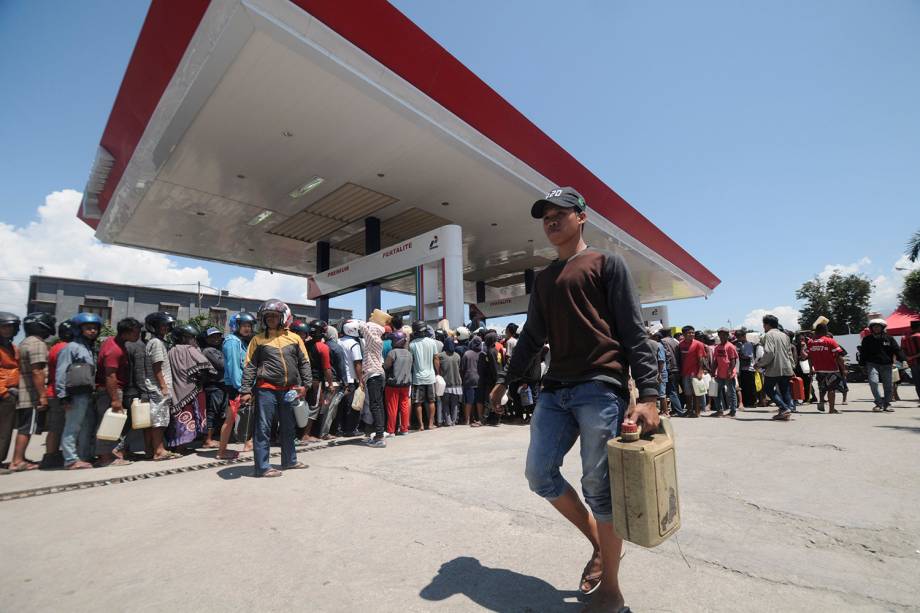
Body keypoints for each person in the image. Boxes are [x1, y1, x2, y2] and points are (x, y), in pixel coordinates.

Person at [490, 186, 659, 612]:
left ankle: (612, 591)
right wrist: (506, 380)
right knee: (539, 474)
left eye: (560, 213)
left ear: (581, 217)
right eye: (545, 215)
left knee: (598, 489)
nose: (551, 220)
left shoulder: (606, 263)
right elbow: (531, 336)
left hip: (600, 387)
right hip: (555, 390)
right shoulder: (545, 278)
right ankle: (600, 544)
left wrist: (651, 395)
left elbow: (633, 331)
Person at [240, 299, 311, 477]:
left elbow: (304, 362)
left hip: (289, 390)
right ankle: (262, 467)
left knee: (288, 427)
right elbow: (249, 366)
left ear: (283, 317)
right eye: (268, 316)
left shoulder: (294, 338)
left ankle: (289, 461)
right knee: (262, 428)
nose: (271, 319)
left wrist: (306, 385)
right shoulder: (258, 340)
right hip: (266, 389)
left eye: (274, 316)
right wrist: (246, 390)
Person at [56, 313, 102, 470]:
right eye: (88, 328)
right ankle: (70, 459)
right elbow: (61, 372)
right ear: (78, 329)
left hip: (88, 393)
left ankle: (84, 456)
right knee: (73, 426)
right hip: (74, 394)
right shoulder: (71, 348)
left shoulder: (88, 348)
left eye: (95, 328)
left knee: (87, 425)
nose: (92, 331)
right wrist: (63, 395)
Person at [11, 313, 56, 472]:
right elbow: (37, 371)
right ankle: (17, 460)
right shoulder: (37, 344)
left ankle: (19, 458)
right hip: (31, 395)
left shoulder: (25, 342)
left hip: (24, 392)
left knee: (25, 427)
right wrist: (42, 396)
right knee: (27, 428)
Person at [95, 317, 142, 466]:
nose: (139, 335)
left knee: (111, 423)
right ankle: (106, 458)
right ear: (127, 332)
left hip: (110, 390)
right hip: (111, 391)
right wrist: (115, 399)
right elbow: (110, 375)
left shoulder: (112, 342)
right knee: (109, 424)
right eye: (136, 332)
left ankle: (108, 454)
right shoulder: (114, 350)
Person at [166, 323, 215, 451]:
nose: (194, 340)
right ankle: (183, 447)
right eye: (191, 337)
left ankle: (178, 445)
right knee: (190, 415)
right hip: (192, 389)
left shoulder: (170, 350)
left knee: (179, 417)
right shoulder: (189, 349)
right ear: (183, 338)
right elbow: (207, 366)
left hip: (176, 390)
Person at [142, 312, 181, 461]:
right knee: (159, 421)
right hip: (158, 388)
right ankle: (159, 451)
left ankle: (152, 449)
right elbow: (156, 366)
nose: (165, 328)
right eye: (161, 325)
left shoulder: (155, 342)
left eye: (166, 325)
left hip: (156, 388)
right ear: (154, 327)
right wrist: (163, 386)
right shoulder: (157, 343)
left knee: (157, 420)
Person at [218, 311, 256, 459]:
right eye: (244, 325)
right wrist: (242, 389)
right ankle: (221, 452)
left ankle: (247, 443)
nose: (248, 328)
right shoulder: (232, 342)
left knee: (242, 417)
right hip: (236, 388)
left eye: (249, 326)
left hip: (242, 387)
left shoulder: (240, 341)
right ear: (236, 326)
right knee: (230, 419)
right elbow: (234, 367)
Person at [41, 320, 73, 468]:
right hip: (59, 392)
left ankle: (51, 454)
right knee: (58, 426)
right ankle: (51, 457)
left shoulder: (54, 347)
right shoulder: (66, 348)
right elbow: (63, 373)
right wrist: (64, 395)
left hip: (53, 390)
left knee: (55, 426)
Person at [756, 315, 796, 421]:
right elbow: (789, 353)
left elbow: (769, 352)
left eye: (764, 324)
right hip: (787, 366)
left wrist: (760, 364)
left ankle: (784, 408)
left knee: (768, 389)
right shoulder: (785, 335)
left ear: (767, 324)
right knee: (785, 390)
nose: (763, 327)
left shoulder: (769, 335)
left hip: (775, 367)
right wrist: (792, 367)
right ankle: (786, 411)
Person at [859, 318, 902, 412]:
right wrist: (862, 365)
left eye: (878, 326)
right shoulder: (867, 339)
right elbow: (863, 353)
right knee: (873, 382)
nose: (876, 328)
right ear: (871, 328)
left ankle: (887, 404)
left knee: (888, 385)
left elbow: (896, 350)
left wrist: (903, 360)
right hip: (872, 364)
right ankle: (878, 403)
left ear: (882, 327)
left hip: (886, 365)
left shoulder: (889, 338)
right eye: (874, 326)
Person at [301, 320, 333, 443]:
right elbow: (326, 368)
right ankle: (306, 435)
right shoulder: (323, 347)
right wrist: (330, 384)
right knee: (313, 407)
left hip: (303, 380)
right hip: (315, 381)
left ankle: (300, 433)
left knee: (302, 407)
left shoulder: (304, 344)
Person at [362, 312, 390, 447]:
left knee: (376, 406)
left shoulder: (375, 340)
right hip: (376, 374)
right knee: (378, 405)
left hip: (374, 375)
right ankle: (380, 433)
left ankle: (379, 437)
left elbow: (364, 330)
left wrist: (361, 324)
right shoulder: (375, 340)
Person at [807, 323, 847, 414]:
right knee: (831, 389)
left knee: (822, 388)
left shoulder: (810, 342)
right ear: (825, 331)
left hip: (818, 369)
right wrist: (843, 369)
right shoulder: (830, 341)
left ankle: (821, 403)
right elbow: (839, 356)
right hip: (831, 369)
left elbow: (810, 357)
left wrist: (810, 368)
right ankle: (831, 409)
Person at [409, 320, 440, 431]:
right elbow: (436, 358)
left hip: (417, 378)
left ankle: (421, 425)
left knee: (418, 403)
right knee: (431, 401)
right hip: (430, 377)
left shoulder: (412, 344)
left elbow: (411, 361)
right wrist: (437, 372)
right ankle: (431, 424)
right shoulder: (432, 342)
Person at [199, 327, 226, 449]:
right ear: (207, 339)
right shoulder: (208, 351)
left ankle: (212, 437)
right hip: (213, 385)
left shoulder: (217, 349)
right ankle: (207, 440)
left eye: (218, 336)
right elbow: (222, 365)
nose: (216, 339)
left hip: (220, 385)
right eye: (213, 337)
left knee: (218, 412)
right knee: (211, 412)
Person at [0, 312, 21, 473]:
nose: (8, 330)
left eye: (11, 327)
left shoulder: (11, 347)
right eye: (4, 326)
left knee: (6, 430)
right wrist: (4, 392)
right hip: (4, 394)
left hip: (11, 393)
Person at [337, 320, 365, 437]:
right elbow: (357, 363)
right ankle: (350, 429)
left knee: (341, 406)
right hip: (351, 378)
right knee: (353, 406)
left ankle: (339, 428)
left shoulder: (338, 341)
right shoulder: (354, 344)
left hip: (340, 378)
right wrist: (361, 380)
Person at [320, 325, 348, 439]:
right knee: (330, 409)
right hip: (334, 381)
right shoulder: (336, 348)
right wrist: (345, 382)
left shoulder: (323, 346)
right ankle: (324, 433)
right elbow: (341, 367)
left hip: (322, 380)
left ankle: (318, 431)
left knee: (322, 408)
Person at [383, 330, 412, 435]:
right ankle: (404, 429)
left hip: (393, 385)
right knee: (404, 407)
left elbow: (386, 366)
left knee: (392, 408)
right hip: (406, 384)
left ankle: (391, 431)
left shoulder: (392, 353)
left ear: (396, 341)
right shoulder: (409, 353)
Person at [709, 327, 739, 418]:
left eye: (724, 334)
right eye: (720, 334)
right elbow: (716, 361)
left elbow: (733, 360)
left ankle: (732, 411)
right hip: (720, 374)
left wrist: (730, 371)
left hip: (729, 374)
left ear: (727, 335)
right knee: (715, 392)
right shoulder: (717, 347)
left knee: (731, 393)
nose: (722, 336)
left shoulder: (730, 346)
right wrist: (713, 371)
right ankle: (719, 410)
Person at [678, 325, 707, 417]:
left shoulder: (698, 344)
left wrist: (700, 372)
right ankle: (689, 410)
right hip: (685, 373)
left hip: (695, 373)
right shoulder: (680, 344)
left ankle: (697, 411)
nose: (691, 334)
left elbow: (701, 359)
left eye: (693, 332)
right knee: (687, 393)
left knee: (696, 393)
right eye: (689, 333)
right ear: (684, 334)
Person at [657, 327, 684, 416]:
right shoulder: (675, 341)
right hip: (677, 368)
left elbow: (666, 355)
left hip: (670, 368)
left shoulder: (663, 341)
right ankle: (677, 409)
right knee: (675, 389)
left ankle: (679, 411)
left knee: (672, 391)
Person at [437, 336, 463, 426]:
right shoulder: (457, 356)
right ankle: (454, 421)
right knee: (455, 404)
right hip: (457, 383)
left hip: (446, 383)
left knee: (445, 403)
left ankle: (448, 421)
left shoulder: (440, 356)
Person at [479, 331, 502, 426]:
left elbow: (494, 367)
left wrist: (497, 380)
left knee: (490, 399)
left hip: (493, 379)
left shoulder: (491, 351)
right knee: (495, 399)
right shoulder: (495, 350)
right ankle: (494, 419)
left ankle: (484, 419)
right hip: (496, 378)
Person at [461, 336, 483, 427]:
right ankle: (480, 418)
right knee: (479, 401)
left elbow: (462, 368)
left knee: (469, 401)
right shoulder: (483, 353)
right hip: (480, 380)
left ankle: (467, 420)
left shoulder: (467, 354)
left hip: (469, 379)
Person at [901, 320, 920, 405]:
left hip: (912, 364)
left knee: (917, 383)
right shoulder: (919, 336)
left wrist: (908, 358)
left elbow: (902, 350)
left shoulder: (904, 338)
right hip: (916, 361)